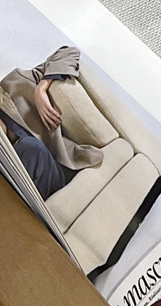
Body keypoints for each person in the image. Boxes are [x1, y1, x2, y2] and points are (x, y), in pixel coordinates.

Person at [0, 43, 103, 201]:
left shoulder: (16, 82)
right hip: (18, 190)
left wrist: (41, 89)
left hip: (56, 168)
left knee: (29, 147)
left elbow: (69, 52)